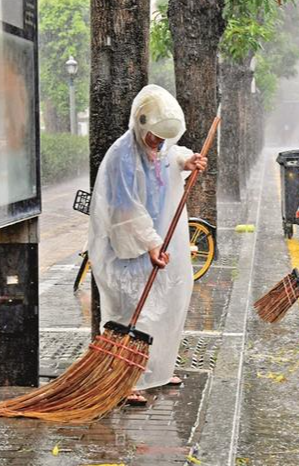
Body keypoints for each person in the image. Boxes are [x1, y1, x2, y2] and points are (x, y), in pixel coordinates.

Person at [88, 85, 207, 402]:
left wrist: (188, 161)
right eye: (154, 136)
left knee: (159, 308)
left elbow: (170, 157)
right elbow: (126, 209)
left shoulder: (160, 148)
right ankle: (124, 381)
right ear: (140, 124)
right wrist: (152, 244)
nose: (158, 143)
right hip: (128, 250)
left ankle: (157, 370)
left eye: (163, 138)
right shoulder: (122, 157)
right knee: (129, 312)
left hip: (155, 246)